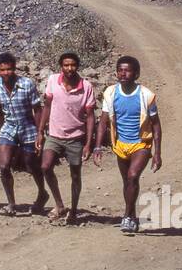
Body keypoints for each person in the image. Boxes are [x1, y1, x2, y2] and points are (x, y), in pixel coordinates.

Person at [95, 54, 162, 235]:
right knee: (127, 182)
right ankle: (132, 216)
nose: (123, 74)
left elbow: (156, 125)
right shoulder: (110, 93)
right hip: (120, 144)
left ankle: (126, 216)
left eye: (127, 70)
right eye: (120, 70)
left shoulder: (146, 95)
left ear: (136, 74)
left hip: (141, 144)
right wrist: (98, 146)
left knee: (132, 176)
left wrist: (157, 153)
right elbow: (103, 122)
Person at [37, 51, 96, 225]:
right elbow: (47, 106)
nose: (69, 68)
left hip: (76, 137)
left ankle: (74, 210)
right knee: (45, 166)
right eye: (66, 65)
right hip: (54, 135)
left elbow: (90, 116)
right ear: (61, 66)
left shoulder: (86, 86)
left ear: (77, 66)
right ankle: (60, 204)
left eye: (72, 65)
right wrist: (40, 131)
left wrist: (88, 143)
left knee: (75, 175)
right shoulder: (53, 81)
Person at [0, 52, 46, 216]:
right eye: (2, 70)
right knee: (4, 166)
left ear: (14, 68)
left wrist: (40, 132)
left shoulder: (27, 84)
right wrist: (1, 129)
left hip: (28, 127)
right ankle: (11, 204)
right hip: (9, 128)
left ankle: (42, 193)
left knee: (31, 164)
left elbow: (37, 109)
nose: (6, 73)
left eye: (9, 69)